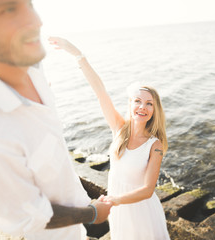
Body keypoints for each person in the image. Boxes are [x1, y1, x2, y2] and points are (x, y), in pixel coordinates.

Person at [0, 1, 112, 239]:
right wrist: (92, 213)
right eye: (8, 10)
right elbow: (30, 218)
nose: (37, 21)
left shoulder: (28, 65)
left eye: (28, 4)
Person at [49, 37, 171, 240]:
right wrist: (77, 54)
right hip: (118, 207)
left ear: (154, 110)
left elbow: (148, 190)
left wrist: (115, 200)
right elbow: (99, 91)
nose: (142, 107)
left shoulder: (154, 145)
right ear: (130, 104)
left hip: (140, 210)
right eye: (138, 101)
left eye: (149, 104)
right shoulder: (119, 128)